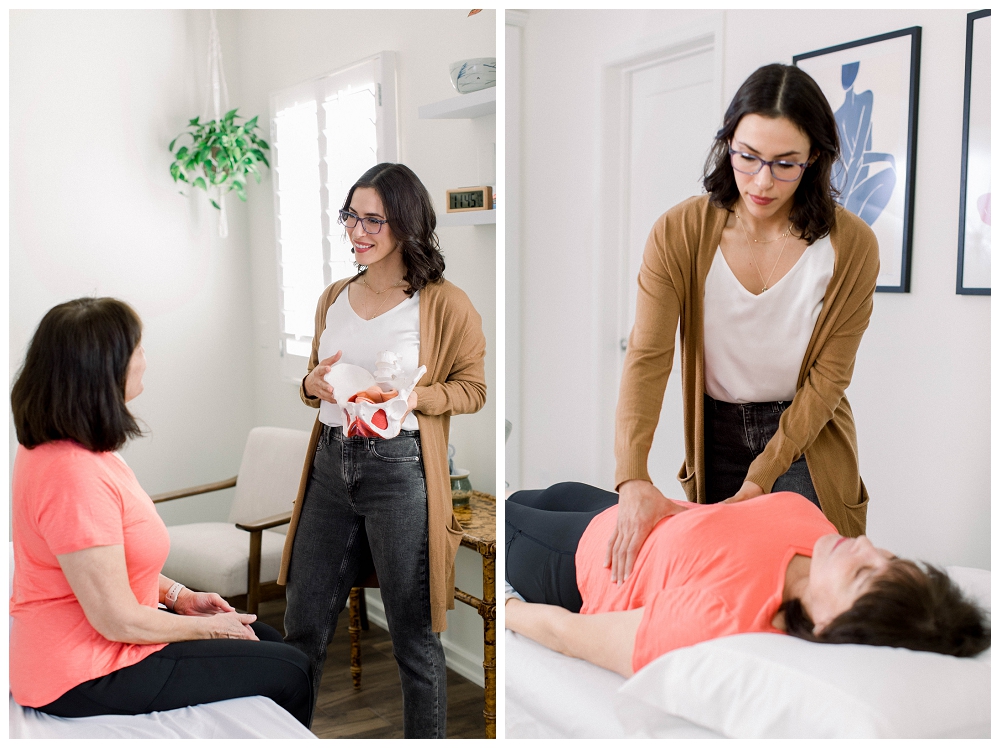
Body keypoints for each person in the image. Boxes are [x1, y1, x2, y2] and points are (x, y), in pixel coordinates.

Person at [609, 63, 881, 586]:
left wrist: (764, 476)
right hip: (716, 434)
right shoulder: (679, 232)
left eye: (785, 164)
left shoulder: (852, 247)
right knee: (720, 587)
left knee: (808, 590)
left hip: (805, 435)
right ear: (727, 142)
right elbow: (647, 357)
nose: (762, 181)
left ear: (814, 158)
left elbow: (829, 379)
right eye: (748, 156)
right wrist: (631, 475)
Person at [9, 298, 313, 725]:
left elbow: (113, 565)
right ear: (104, 371)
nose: (145, 360)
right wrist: (208, 629)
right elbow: (115, 619)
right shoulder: (73, 475)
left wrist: (179, 597)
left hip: (100, 646)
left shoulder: (74, 447)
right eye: (138, 349)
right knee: (292, 670)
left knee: (263, 635)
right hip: (82, 672)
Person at [278, 162, 487, 738]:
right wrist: (310, 384)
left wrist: (415, 397)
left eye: (374, 220)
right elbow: (314, 380)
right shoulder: (334, 297)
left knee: (414, 638)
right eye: (352, 216)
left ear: (406, 223)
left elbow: (473, 390)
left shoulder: (443, 303)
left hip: (398, 469)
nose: (358, 231)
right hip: (329, 463)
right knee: (302, 628)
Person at [505, 483, 990, 678]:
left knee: (490, 510)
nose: (863, 544)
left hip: (571, 558)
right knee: (522, 491)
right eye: (888, 558)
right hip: (622, 509)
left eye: (862, 573)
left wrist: (505, 609)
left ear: (831, 625)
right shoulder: (817, 530)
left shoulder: (721, 620)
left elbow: (571, 636)